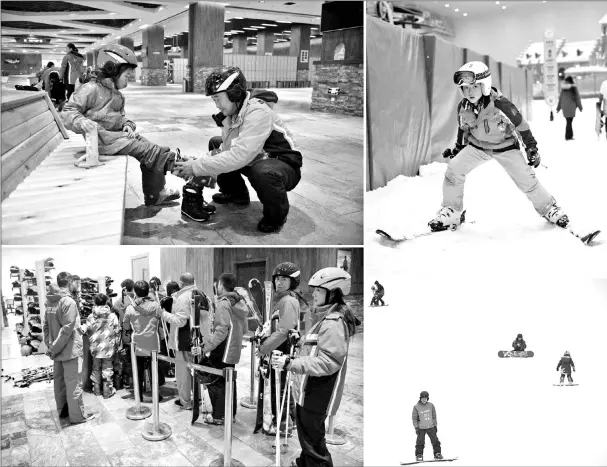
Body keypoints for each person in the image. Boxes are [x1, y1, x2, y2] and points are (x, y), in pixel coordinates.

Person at [429, 61, 570, 232]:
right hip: (478, 147)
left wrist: (531, 148)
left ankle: (549, 208)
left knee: (526, 180)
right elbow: (463, 128)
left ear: (485, 86)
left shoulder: (500, 104)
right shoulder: (463, 106)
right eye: (465, 88)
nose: (469, 92)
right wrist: (459, 148)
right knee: (454, 169)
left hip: (505, 146)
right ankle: (452, 211)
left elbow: (521, 124)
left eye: (474, 86)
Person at [173, 66, 303, 233]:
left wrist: (197, 167)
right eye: (214, 100)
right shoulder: (233, 113)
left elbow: (240, 156)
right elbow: (225, 149)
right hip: (258, 156)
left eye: (218, 99)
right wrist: (198, 161)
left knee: (263, 172)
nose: (217, 105)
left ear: (234, 93)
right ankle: (236, 195)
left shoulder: (258, 112)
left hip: (282, 164)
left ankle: (276, 216)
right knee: (215, 143)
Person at [62, 43, 180, 207]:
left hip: (117, 138)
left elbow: (120, 118)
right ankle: (177, 165)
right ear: (112, 69)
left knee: (150, 148)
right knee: (150, 152)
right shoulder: (91, 89)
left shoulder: (117, 95)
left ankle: (156, 193)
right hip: (102, 142)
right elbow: (68, 111)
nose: (129, 78)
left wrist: (127, 124)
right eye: (127, 74)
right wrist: (81, 122)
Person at [272, 266, 358, 467]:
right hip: (310, 389)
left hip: (317, 391)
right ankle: (305, 462)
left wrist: (290, 362)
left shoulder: (334, 321)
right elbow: (316, 346)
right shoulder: (327, 317)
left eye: (319, 290)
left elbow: (329, 361)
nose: (314, 293)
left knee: (313, 440)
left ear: (333, 291)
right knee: (307, 435)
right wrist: (299, 339)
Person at [193, 272, 246, 424]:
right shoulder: (239, 301)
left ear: (221, 285)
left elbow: (221, 331)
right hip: (233, 348)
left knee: (217, 381)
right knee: (229, 380)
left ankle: (219, 416)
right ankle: (230, 414)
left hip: (223, 348)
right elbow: (244, 329)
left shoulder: (224, 303)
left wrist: (205, 348)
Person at [43, 272, 95, 424]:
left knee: (59, 383)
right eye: (75, 283)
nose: (77, 286)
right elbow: (67, 330)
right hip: (70, 350)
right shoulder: (68, 302)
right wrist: (54, 348)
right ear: (70, 282)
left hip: (57, 350)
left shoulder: (51, 302)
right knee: (74, 384)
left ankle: (63, 412)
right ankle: (78, 416)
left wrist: (51, 345)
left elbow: (46, 326)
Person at [259, 262, 305, 435]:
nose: (279, 282)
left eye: (284, 279)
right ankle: (287, 421)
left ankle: (283, 423)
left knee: (280, 388)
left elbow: (284, 331)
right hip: (279, 349)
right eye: (277, 279)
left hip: (281, 351)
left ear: (293, 281)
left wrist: (264, 347)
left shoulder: (288, 301)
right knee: (282, 386)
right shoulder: (286, 299)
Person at [159, 273, 198, 409]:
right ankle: (197, 398)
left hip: (183, 341)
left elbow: (180, 321)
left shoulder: (183, 298)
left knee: (183, 374)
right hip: (197, 341)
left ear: (182, 283)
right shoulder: (200, 294)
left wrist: (163, 314)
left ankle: (185, 402)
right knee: (195, 371)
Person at [122, 280, 163, 401]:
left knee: (138, 370)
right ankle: (155, 395)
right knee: (153, 370)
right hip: (152, 341)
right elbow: (160, 320)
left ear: (135, 292)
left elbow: (126, 326)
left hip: (138, 342)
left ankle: (138, 397)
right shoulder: (155, 305)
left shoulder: (130, 308)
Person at [82, 293, 120, 398]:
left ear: (95, 302)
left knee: (96, 367)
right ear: (106, 302)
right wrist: (116, 345)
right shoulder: (112, 316)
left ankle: (97, 390)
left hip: (95, 347)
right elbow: (117, 331)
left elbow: (87, 331)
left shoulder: (90, 317)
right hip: (108, 347)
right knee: (107, 367)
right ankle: (107, 391)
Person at [412, 391, 443, 462]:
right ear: (420, 398)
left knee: (435, 441)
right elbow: (414, 418)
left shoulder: (431, 405)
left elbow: (434, 416)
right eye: (422, 398)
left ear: (427, 398)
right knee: (420, 442)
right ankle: (419, 455)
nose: (424, 400)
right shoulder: (416, 407)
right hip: (421, 428)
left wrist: (435, 425)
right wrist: (416, 427)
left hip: (431, 427)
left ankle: (437, 454)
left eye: (425, 398)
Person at [556, 76, 583, 141]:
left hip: (564, 107)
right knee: (569, 122)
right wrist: (580, 107)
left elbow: (560, 98)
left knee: (568, 121)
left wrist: (558, 108)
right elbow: (577, 98)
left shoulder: (563, 88)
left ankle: (569, 136)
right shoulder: (574, 88)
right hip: (571, 107)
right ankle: (568, 136)